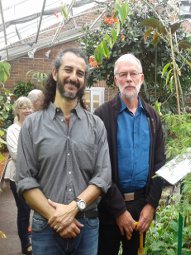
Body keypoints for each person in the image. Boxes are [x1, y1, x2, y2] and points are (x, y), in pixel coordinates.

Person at [15, 48, 112, 255]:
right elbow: (24, 180)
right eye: (68, 70)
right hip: (46, 227)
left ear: (84, 80)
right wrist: (56, 217)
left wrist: (73, 208)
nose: (73, 77)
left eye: (80, 73)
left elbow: (103, 176)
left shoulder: (96, 125)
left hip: (86, 227)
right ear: (55, 73)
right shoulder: (32, 125)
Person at [94, 53, 166, 255]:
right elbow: (99, 167)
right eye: (123, 74)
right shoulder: (102, 116)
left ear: (141, 78)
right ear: (116, 80)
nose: (128, 79)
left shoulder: (152, 117)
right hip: (109, 208)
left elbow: (160, 164)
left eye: (133, 73)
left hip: (141, 207)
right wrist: (119, 211)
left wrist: (151, 205)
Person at [5, 96, 33, 255]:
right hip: (18, 177)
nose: (27, 110)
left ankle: (32, 237)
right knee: (23, 210)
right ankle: (25, 244)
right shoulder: (12, 130)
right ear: (18, 110)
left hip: (34, 176)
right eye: (23, 108)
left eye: (29, 107)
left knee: (35, 208)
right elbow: (16, 154)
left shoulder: (33, 127)